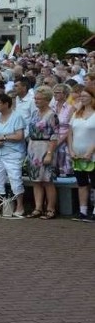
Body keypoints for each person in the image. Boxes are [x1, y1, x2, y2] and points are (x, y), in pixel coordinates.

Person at [0, 93, 27, 217]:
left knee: (15, 179)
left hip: (13, 154)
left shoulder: (17, 116)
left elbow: (20, 136)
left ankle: (20, 206)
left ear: (6, 104)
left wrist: (3, 138)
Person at [25, 86, 59, 219]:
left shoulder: (52, 115)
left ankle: (50, 208)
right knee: (36, 180)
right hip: (33, 147)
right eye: (35, 98)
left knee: (47, 180)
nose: (36, 101)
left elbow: (54, 136)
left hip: (45, 147)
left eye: (39, 99)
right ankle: (38, 207)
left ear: (47, 100)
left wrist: (50, 153)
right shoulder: (34, 113)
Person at [67, 84, 95, 221]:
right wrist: (71, 150)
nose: (81, 98)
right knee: (82, 183)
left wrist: (90, 151)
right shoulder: (76, 114)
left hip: (92, 155)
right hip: (78, 155)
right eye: (81, 96)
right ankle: (82, 211)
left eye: (85, 96)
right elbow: (70, 133)